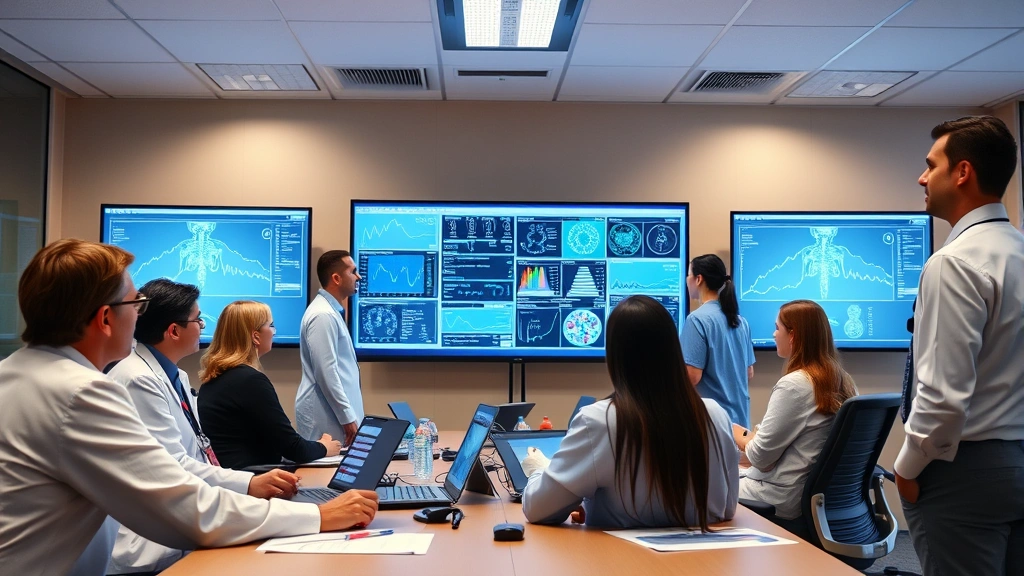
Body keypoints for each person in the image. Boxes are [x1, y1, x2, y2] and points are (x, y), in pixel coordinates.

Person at [0, 239, 379, 576]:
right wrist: (317, 515)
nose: (140, 315)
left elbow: (178, 469)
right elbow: (183, 506)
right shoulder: (79, 393)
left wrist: (250, 484)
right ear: (104, 318)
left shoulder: (20, 374)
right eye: (136, 304)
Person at [895, 115, 1024, 576]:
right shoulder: (1018, 250)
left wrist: (906, 470)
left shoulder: (953, 263)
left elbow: (943, 398)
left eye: (932, 165)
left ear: (963, 172)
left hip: (964, 472)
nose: (922, 177)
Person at [106, 279, 305, 574]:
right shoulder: (139, 379)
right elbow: (175, 464)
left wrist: (246, 485)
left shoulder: (176, 376)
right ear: (174, 330)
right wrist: (248, 484)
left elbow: (198, 453)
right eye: (197, 319)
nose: (202, 325)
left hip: (183, 518)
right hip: (151, 543)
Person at [520, 295, 738, 529]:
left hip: (621, 563)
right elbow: (728, 507)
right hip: (705, 562)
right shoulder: (715, 415)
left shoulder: (598, 422)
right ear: (674, 350)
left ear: (615, 357)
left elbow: (538, 509)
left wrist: (538, 470)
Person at [734, 300, 857, 527]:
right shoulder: (844, 380)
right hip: (815, 500)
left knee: (700, 484)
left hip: (777, 499)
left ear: (793, 336)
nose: (773, 334)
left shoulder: (795, 384)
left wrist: (736, 434)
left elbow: (760, 458)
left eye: (777, 328)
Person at [198, 301, 342, 470]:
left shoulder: (215, 378)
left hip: (233, 477)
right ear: (256, 336)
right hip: (254, 479)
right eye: (271, 325)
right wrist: (325, 447)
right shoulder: (250, 381)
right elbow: (294, 449)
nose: (274, 332)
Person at [295, 250, 364, 446]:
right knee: (325, 474)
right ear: (336, 278)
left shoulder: (330, 311)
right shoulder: (322, 315)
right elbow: (326, 372)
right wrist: (346, 416)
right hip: (327, 418)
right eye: (353, 271)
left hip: (334, 416)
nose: (358, 277)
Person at [681, 254, 756, 427]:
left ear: (698, 279)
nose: (687, 280)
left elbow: (691, 376)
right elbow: (748, 373)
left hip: (712, 426)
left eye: (688, 275)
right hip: (740, 424)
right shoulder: (740, 321)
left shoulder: (697, 320)